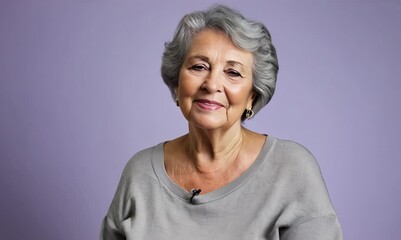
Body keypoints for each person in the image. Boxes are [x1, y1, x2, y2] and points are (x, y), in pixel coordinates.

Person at [100, 5, 342, 240]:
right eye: (199, 67)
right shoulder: (140, 173)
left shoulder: (291, 170)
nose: (212, 84)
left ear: (252, 96)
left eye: (233, 72)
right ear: (177, 83)